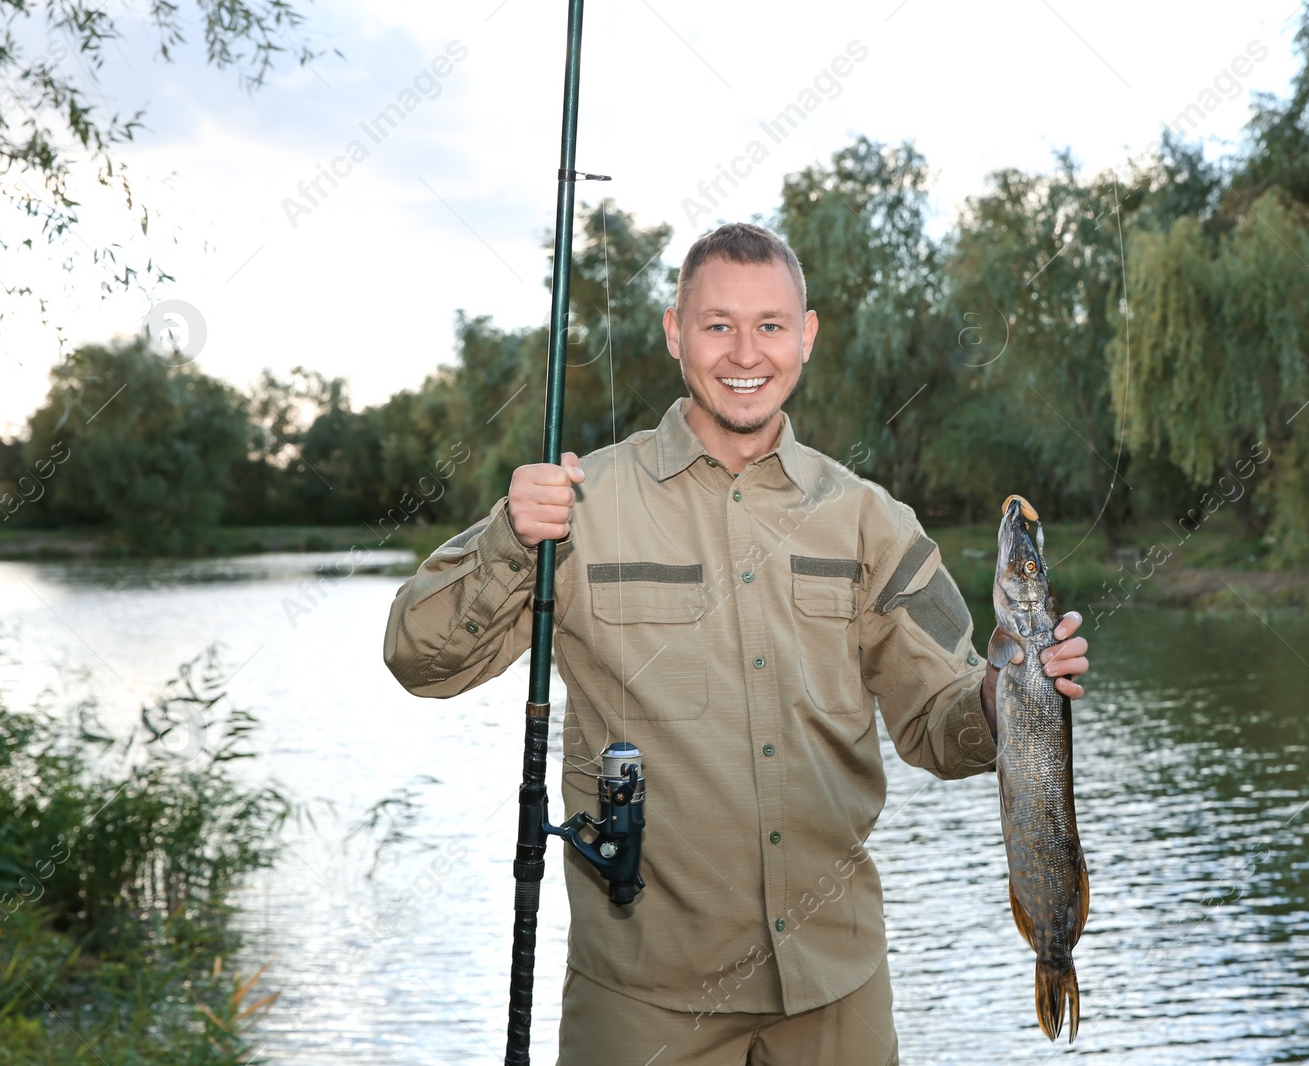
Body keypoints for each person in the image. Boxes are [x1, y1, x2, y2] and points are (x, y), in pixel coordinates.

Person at [383, 222, 1090, 1065]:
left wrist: (1004, 696)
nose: (744, 352)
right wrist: (509, 536)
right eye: (717, 325)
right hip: (642, 999)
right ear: (676, 331)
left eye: (770, 325)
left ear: (807, 336)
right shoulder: (577, 501)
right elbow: (419, 659)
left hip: (838, 989)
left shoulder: (876, 522)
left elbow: (936, 726)